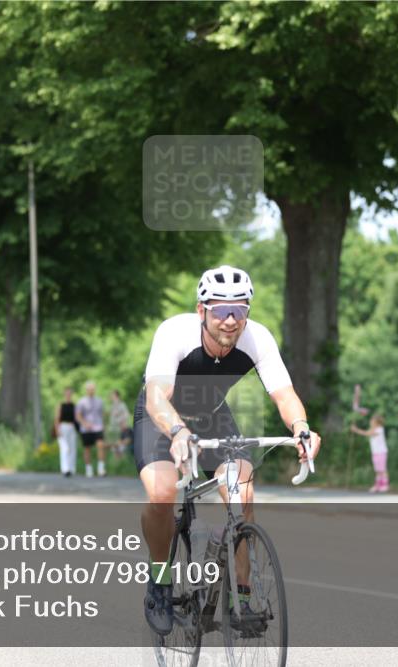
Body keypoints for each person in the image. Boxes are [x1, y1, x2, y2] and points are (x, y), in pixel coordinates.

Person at [134, 265, 321, 636]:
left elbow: (284, 395)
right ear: (201, 310)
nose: (231, 320)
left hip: (213, 417)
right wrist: (177, 432)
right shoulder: (174, 332)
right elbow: (157, 396)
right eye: (220, 310)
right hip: (162, 419)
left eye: (240, 310)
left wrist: (301, 428)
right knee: (162, 493)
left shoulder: (257, 338)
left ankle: (242, 597)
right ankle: (160, 581)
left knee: (242, 491)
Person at [76, 381, 106, 477]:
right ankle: (88, 469)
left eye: (93, 389)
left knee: (100, 446)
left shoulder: (99, 401)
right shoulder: (82, 401)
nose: (91, 391)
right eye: (89, 389)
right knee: (87, 449)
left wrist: (104, 425)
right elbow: (78, 416)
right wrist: (84, 424)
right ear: (86, 390)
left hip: (98, 427)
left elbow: (102, 414)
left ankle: (101, 469)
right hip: (86, 429)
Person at [352, 414, 388, 493]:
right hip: (375, 452)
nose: (370, 422)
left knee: (382, 469)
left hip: (381, 452)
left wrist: (356, 430)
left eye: (372, 421)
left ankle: (385, 485)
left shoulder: (380, 429)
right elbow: (368, 432)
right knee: (377, 470)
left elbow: (368, 433)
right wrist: (356, 430)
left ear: (377, 422)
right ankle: (378, 485)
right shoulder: (373, 429)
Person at [54, 387, 78, 477]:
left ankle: (71, 468)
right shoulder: (61, 405)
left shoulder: (74, 405)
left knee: (72, 448)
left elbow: (76, 418)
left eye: (69, 393)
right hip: (63, 426)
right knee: (64, 448)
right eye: (67, 393)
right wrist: (57, 429)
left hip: (72, 427)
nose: (68, 395)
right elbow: (57, 418)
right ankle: (65, 468)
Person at [108, 389, 132, 459]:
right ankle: (117, 462)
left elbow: (126, 415)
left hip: (120, 428)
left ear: (116, 396)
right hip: (114, 429)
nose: (111, 396)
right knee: (114, 446)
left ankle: (122, 461)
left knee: (121, 446)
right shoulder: (112, 405)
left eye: (112, 395)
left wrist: (122, 422)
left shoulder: (122, 405)